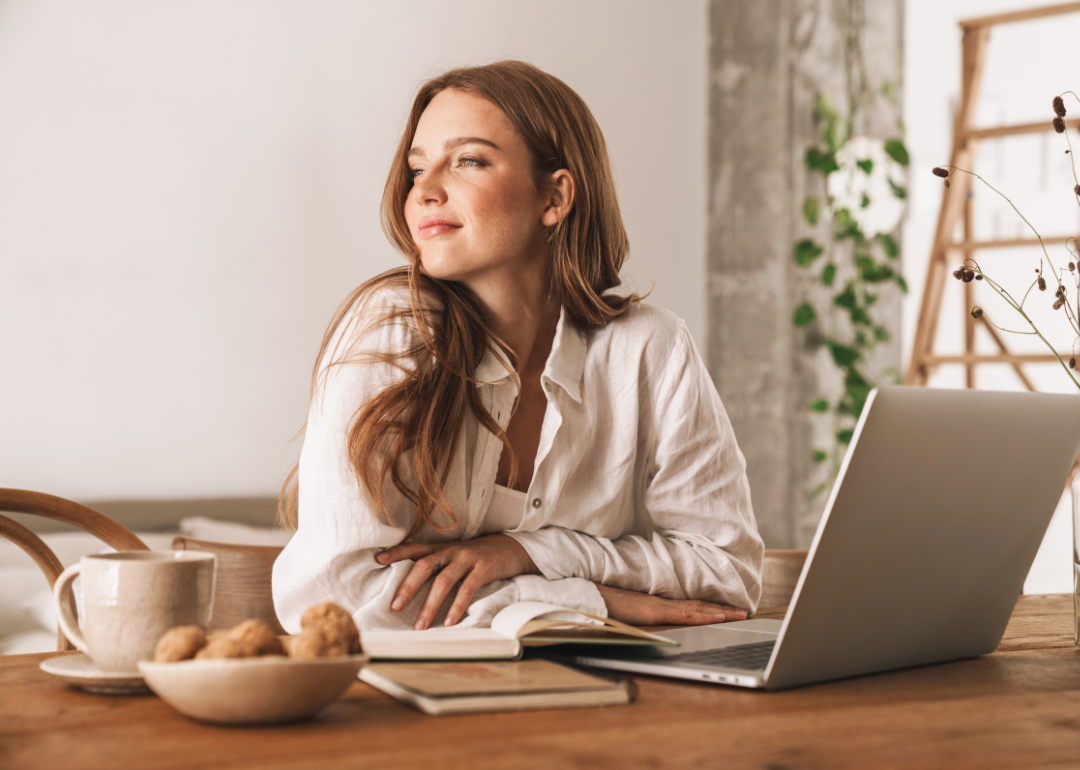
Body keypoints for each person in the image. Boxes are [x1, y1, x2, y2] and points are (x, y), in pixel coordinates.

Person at [272, 60, 763, 634]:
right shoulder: (391, 332)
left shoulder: (650, 347)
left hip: (614, 697)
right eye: (417, 167)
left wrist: (535, 552)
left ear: (553, 197)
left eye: (468, 161)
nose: (425, 192)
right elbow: (334, 601)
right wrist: (592, 601)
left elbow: (726, 576)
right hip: (416, 705)